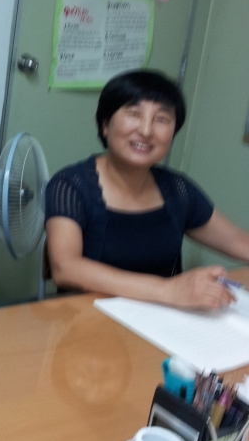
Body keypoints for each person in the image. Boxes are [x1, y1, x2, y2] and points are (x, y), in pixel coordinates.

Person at [45, 69, 249, 310]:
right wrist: (168, 290)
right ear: (106, 125)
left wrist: (172, 293)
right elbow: (65, 268)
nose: (146, 130)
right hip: (87, 318)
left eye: (161, 119)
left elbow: (240, 243)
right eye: (134, 114)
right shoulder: (71, 185)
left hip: (163, 318)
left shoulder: (178, 190)